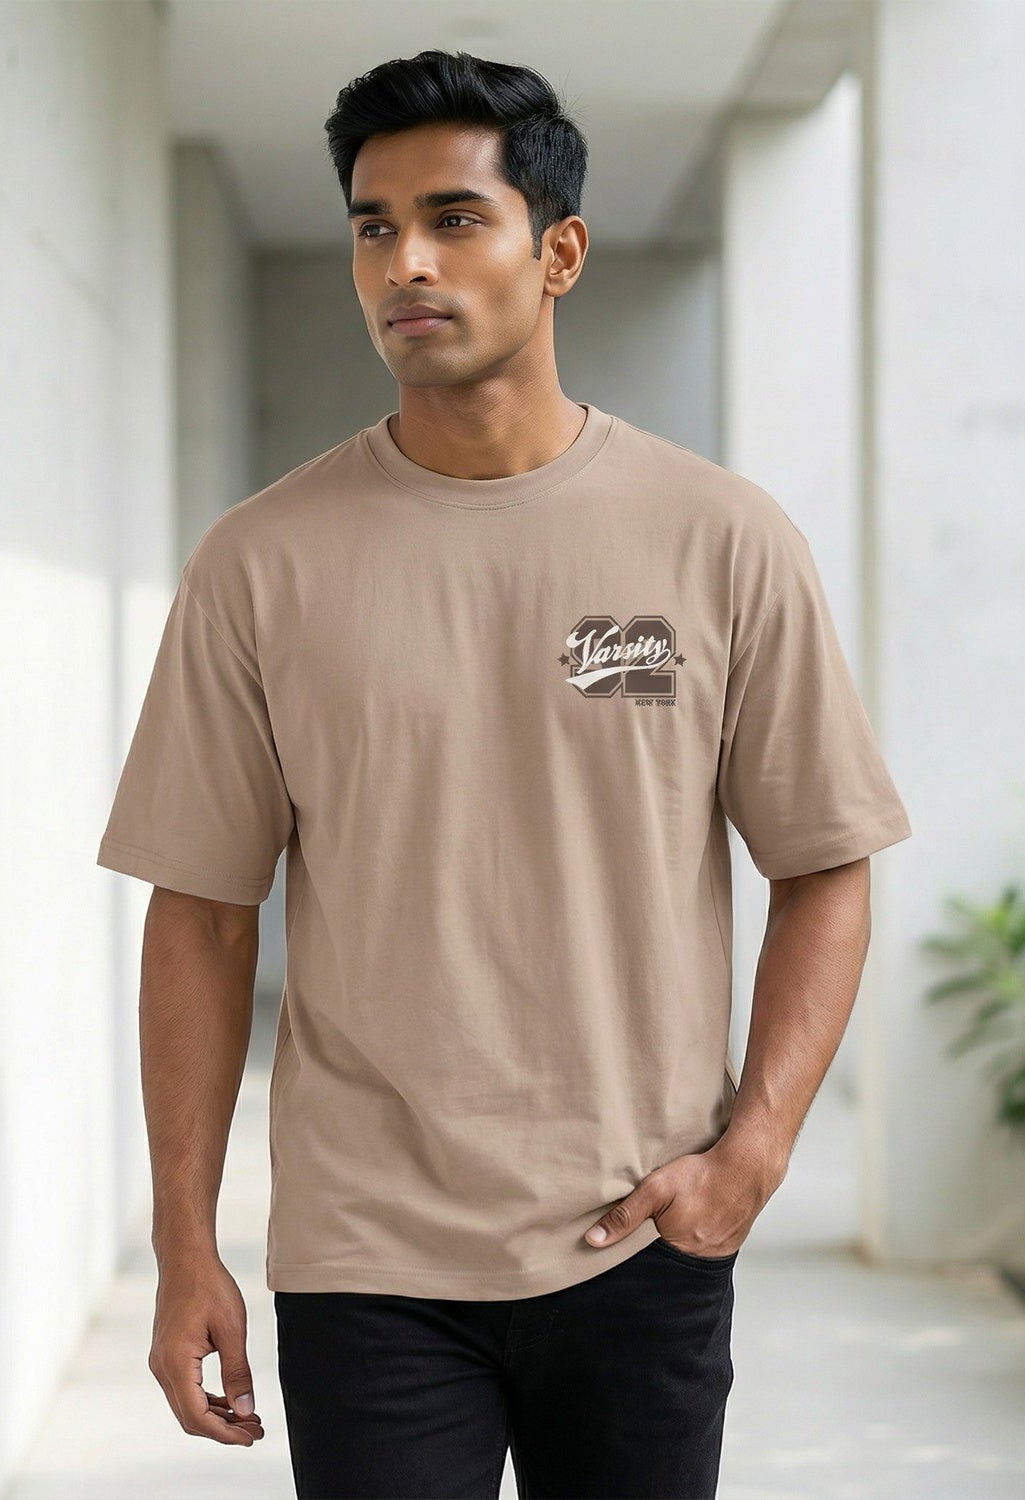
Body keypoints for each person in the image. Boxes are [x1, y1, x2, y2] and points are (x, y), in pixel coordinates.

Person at [96, 47, 913, 1500]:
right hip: (369, 1259)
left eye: (455, 218)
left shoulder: (721, 539)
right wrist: (184, 1244)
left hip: (645, 1231)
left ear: (559, 252)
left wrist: (756, 1152)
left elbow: (826, 861)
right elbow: (203, 915)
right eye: (371, 224)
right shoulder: (260, 564)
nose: (405, 261)